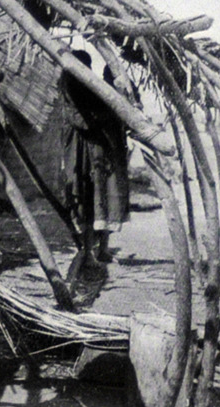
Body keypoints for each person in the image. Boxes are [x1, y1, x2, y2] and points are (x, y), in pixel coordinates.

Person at [60, 50, 130, 275]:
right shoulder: (69, 87)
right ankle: (88, 252)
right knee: (87, 198)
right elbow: (78, 118)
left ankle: (102, 250)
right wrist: (102, 119)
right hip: (82, 151)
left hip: (100, 150)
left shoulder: (92, 89)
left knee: (105, 196)